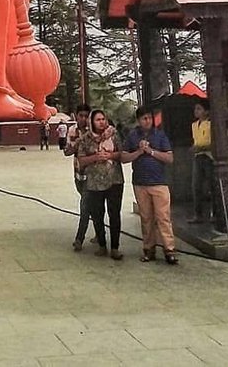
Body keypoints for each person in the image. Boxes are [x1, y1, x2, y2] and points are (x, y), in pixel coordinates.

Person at [121, 104, 177, 265]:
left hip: (159, 182)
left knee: (163, 217)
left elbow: (169, 158)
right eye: (144, 118)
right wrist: (139, 152)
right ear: (138, 120)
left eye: (150, 118)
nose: (148, 121)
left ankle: (169, 249)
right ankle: (149, 248)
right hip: (140, 183)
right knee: (146, 218)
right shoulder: (133, 136)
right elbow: (124, 157)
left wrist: (151, 151)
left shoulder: (160, 135)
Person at [76, 109, 124, 261]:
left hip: (114, 180)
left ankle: (115, 248)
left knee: (114, 214)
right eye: (98, 120)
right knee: (97, 215)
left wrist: (110, 155)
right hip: (94, 183)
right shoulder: (85, 139)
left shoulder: (114, 135)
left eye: (103, 119)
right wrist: (96, 157)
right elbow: (81, 161)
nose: (101, 122)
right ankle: (102, 245)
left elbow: (122, 153)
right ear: (92, 122)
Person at [64, 105, 92, 251]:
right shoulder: (72, 130)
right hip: (78, 174)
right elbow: (67, 151)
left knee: (85, 206)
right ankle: (101, 234)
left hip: (92, 174)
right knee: (91, 205)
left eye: (86, 116)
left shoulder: (94, 131)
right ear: (76, 115)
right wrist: (78, 144)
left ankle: (79, 238)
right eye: (80, 115)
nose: (83, 119)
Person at [189, 100, 213, 224]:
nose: (196, 111)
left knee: (211, 185)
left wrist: (202, 147)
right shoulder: (194, 125)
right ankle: (198, 214)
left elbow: (213, 142)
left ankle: (214, 213)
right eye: (196, 109)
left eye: (199, 109)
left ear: (206, 111)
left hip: (209, 156)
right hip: (198, 156)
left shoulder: (211, 124)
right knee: (196, 186)